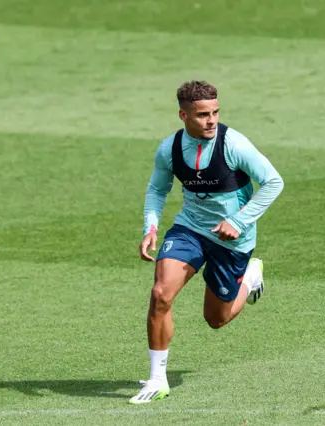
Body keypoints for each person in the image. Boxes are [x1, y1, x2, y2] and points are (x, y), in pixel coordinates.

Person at [130, 80, 284, 404]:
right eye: (202, 115)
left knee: (217, 319)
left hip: (233, 240)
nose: (211, 120)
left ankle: (250, 277)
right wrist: (151, 227)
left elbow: (273, 182)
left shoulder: (234, 144)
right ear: (183, 115)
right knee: (160, 293)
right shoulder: (169, 149)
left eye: (215, 112)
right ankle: (158, 379)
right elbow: (158, 190)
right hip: (190, 229)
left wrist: (238, 221)